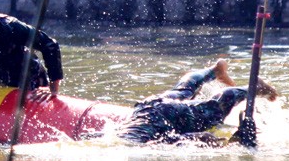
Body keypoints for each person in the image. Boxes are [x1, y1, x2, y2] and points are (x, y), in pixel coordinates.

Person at [117, 59, 278, 145]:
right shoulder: (119, 136)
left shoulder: (136, 144)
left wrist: (196, 137)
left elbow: (163, 141)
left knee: (216, 107)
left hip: (171, 115)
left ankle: (255, 87)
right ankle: (214, 70)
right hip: (146, 107)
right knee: (183, 91)